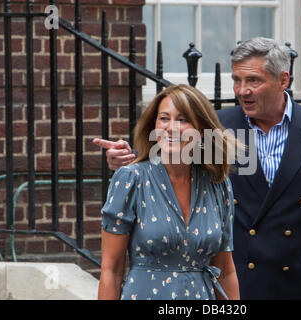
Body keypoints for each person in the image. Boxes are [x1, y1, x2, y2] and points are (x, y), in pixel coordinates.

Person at [94, 37, 301, 300]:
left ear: (283, 80)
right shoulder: (217, 128)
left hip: (299, 285)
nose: (242, 90)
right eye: (237, 80)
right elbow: (168, 156)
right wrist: (127, 158)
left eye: (253, 80)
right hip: (239, 283)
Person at [97, 84, 241, 300]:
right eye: (164, 118)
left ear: (201, 130)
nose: (172, 128)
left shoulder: (217, 184)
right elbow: (111, 270)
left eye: (183, 120)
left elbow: (225, 271)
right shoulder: (131, 179)